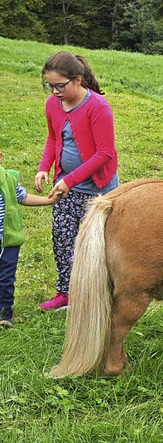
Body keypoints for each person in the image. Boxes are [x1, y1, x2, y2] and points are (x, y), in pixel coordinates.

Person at [36, 51, 119, 311]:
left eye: (60, 85)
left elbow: (104, 154)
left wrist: (69, 180)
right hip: (66, 187)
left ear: (78, 80)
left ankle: (100, 297)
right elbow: (52, 138)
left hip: (97, 189)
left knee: (95, 247)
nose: (55, 91)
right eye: (50, 86)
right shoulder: (53, 104)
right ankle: (66, 293)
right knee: (63, 239)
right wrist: (43, 168)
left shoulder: (98, 107)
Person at [0, 152, 60, 327]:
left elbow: (24, 197)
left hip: (8, 241)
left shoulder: (9, 179)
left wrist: (49, 201)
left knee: (6, 278)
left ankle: (5, 314)